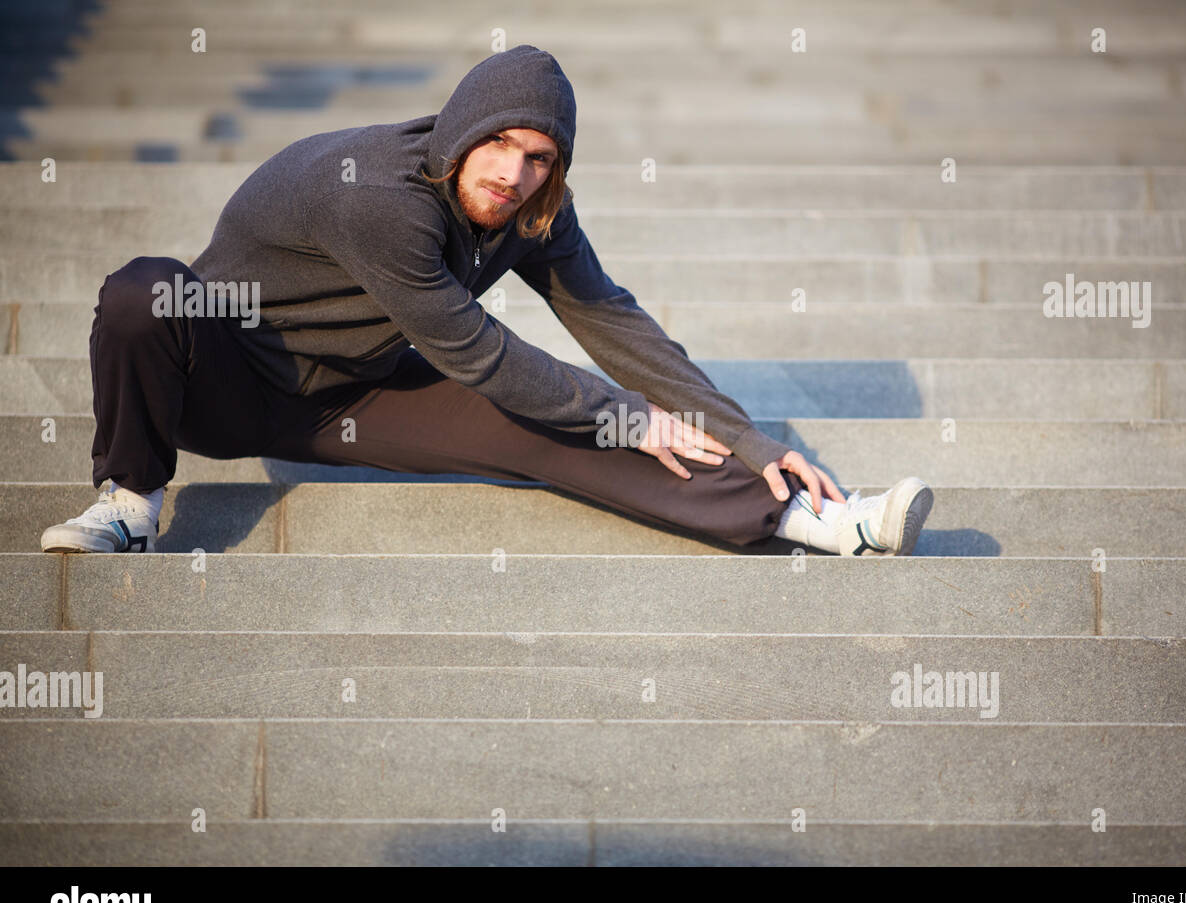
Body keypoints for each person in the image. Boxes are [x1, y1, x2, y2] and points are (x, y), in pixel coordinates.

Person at [41, 44, 932, 558]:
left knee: (564, 421)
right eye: (500, 143)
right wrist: (630, 412)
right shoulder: (375, 194)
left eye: (540, 155)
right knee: (144, 293)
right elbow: (478, 353)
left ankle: (812, 518)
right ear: (461, 133)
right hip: (222, 384)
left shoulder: (530, 209)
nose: (514, 173)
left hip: (350, 392)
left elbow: (609, 317)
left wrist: (744, 434)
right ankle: (129, 500)